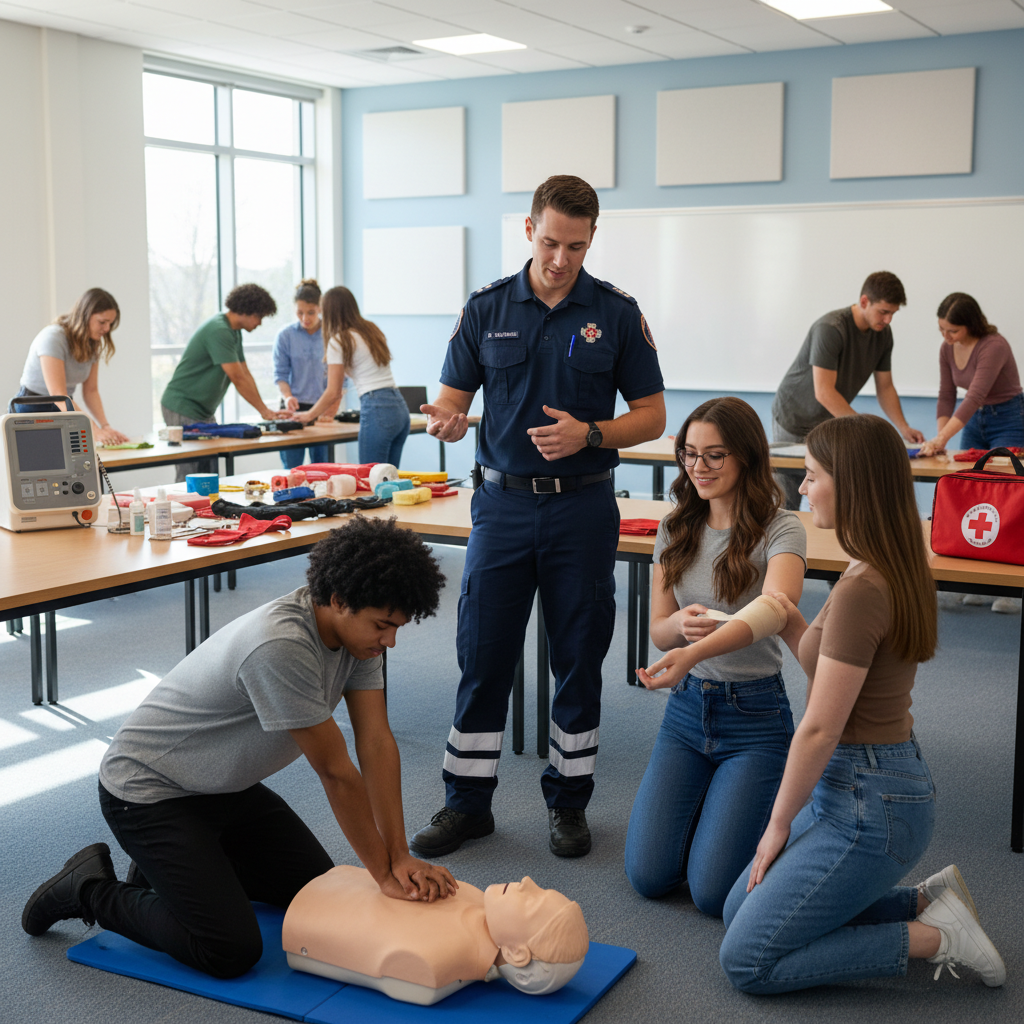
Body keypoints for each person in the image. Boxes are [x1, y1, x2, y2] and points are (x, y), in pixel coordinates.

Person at [22, 517, 457, 980]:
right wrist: (384, 875)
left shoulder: (358, 642)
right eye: (383, 626)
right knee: (228, 949)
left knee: (314, 893)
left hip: (223, 788)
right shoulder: (281, 645)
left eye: (397, 628)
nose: (389, 640)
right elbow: (336, 772)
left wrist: (399, 855)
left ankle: (163, 873)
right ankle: (86, 887)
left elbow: (375, 743)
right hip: (148, 793)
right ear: (338, 600)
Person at [409, 175, 665, 861]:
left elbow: (653, 415)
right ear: (529, 230)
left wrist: (591, 434)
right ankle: (466, 804)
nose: (560, 259)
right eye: (551, 242)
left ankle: (569, 803)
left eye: (575, 247)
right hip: (501, 506)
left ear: (591, 240)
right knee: (483, 653)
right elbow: (451, 404)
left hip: (582, 506)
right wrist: (450, 422)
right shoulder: (487, 306)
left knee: (578, 657)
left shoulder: (615, 313)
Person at [719, 415, 1006, 993]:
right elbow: (831, 675)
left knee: (747, 962)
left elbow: (821, 726)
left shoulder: (861, 589)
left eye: (812, 475)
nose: (801, 488)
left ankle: (938, 937)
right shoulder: (877, 564)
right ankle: (927, 900)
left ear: (851, 484)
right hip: (866, 782)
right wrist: (793, 621)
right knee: (735, 913)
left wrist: (776, 826)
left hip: (871, 801)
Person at [625, 397, 806, 917]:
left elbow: (777, 608)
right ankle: (718, 804)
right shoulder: (675, 526)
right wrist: (678, 628)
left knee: (710, 895)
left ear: (746, 457)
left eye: (715, 456)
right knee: (648, 876)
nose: (697, 468)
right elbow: (661, 633)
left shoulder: (782, 527)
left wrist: (695, 648)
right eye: (689, 454)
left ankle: (756, 809)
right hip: (686, 712)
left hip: (755, 718)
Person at [284, 867, 588, 1004]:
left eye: (533, 901)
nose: (527, 881)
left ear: (517, 954)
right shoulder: (475, 898)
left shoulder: (436, 964)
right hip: (332, 886)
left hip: (310, 913)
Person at [771, 271, 925, 510]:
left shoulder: (883, 335)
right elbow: (824, 392)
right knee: (789, 497)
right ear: (864, 302)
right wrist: (863, 430)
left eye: (892, 314)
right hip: (794, 418)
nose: (888, 320)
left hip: (828, 423)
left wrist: (903, 428)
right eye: (883, 312)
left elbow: (885, 387)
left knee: (828, 496)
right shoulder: (831, 328)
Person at [160, 283, 286, 481]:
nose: (260, 323)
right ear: (247, 311)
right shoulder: (219, 330)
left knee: (209, 471)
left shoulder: (233, 331)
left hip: (202, 411)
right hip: (182, 406)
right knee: (191, 473)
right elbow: (237, 378)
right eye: (259, 316)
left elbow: (245, 373)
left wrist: (266, 410)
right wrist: (264, 411)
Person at [292, 286, 409, 467]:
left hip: (377, 407)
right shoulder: (371, 330)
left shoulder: (339, 340)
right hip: (399, 408)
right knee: (390, 481)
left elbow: (333, 391)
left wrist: (309, 415)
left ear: (329, 311)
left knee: (372, 480)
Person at [16, 287, 129, 445]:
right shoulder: (53, 338)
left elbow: (91, 391)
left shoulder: (93, 343)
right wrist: (94, 430)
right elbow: (58, 394)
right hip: (33, 407)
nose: (107, 329)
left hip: (63, 407)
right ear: (85, 316)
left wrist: (105, 426)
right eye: (102, 322)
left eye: (110, 323)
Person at [918, 293, 1023, 457]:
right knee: (967, 477)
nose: (946, 337)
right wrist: (940, 438)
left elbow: (975, 397)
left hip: (1008, 419)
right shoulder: (947, 348)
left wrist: (941, 438)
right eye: (941, 329)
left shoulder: (994, 346)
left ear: (971, 325)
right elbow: (946, 395)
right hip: (974, 420)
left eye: (953, 331)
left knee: (1003, 479)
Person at [273, 278, 332, 469]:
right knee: (291, 471)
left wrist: (332, 408)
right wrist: (288, 396)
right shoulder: (285, 336)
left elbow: (341, 378)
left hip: (321, 409)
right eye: (300, 313)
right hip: (293, 409)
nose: (305, 318)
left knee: (322, 470)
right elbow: (281, 374)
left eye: (311, 312)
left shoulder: (331, 334)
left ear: (320, 308)